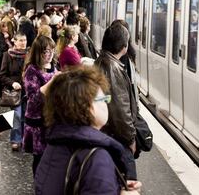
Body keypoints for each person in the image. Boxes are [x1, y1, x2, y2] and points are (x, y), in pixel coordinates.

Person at [34, 66, 141, 195]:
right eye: (103, 100)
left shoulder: (55, 145)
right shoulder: (97, 158)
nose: (106, 104)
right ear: (88, 107)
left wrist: (115, 186)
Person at [94, 24, 138, 180]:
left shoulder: (101, 60)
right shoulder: (113, 68)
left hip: (107, 134)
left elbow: (106, 99)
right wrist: (131, 139)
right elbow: (120, 109)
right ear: (123, 46)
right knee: (127, 181)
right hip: (117, 138)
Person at [22, 35, 58, 175]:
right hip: (37, 121)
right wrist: (53, 81)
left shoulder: (53, 66)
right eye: (46, 52)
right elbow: (34, 98)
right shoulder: (31, 70)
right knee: (40, 158)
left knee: (51, 157)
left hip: (51, 118)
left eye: (52, 51)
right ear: (38, 53)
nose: (49, 55)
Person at [0, 32, 28, 150]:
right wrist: (12, 83)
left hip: (28, 91)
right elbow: (2, 75)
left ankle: (26, 139)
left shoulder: (30, 55)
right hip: (15, 92)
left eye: (24, 40)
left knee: (26, 116)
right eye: (20, 40)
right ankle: (16, 140)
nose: (23, 43)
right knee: (17, 115)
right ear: (14, 42)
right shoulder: (7, 55)